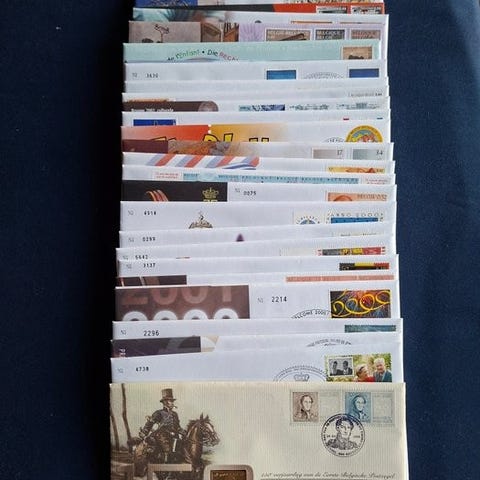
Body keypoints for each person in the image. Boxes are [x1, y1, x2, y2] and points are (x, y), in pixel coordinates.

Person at [139, 388, 186, 463]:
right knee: (167, 449)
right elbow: (150, 423)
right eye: (171, 401)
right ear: (165, 402)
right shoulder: (158, 413)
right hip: (161, 435)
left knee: (182, 449)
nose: (172, 403)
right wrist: (144, 433)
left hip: (174, 436)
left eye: (172, 401)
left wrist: (185, 433)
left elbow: (178, 427)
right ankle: (165, 465)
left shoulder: (175, 414)